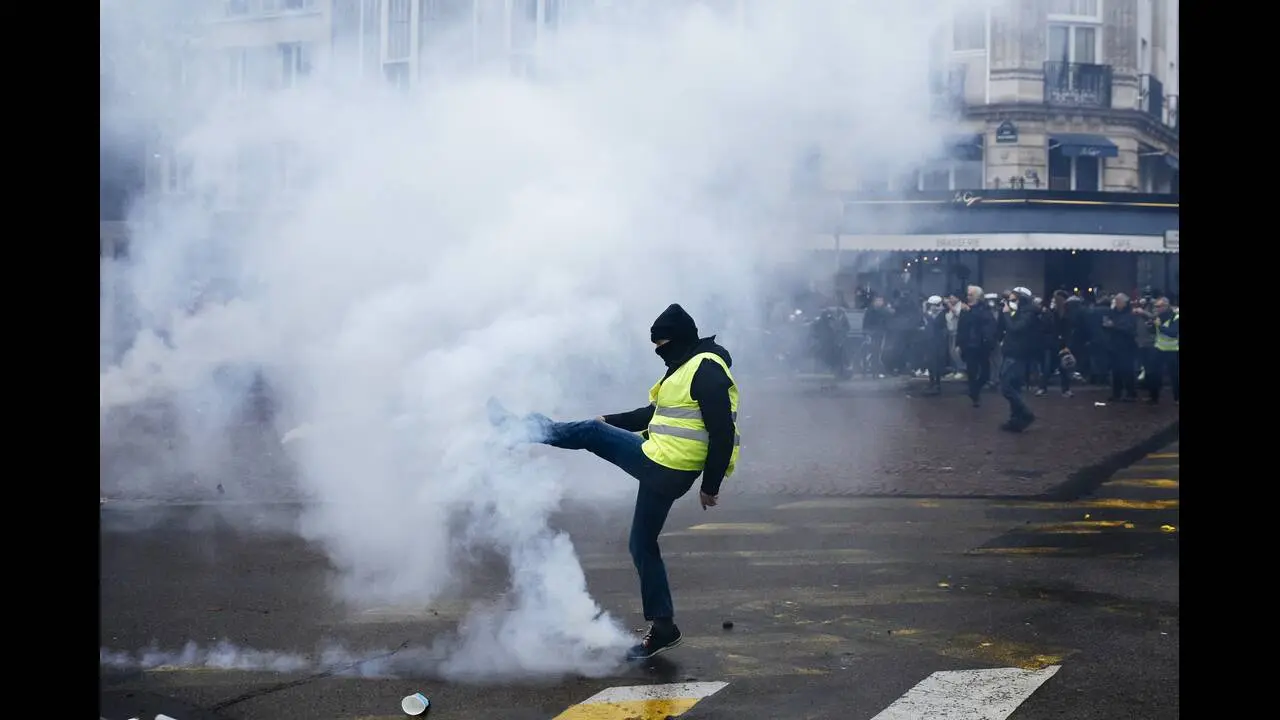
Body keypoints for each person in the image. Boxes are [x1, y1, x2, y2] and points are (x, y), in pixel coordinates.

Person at [486, 303, 740, 661]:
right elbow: (653, 414)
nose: (658, 351)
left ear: (679, 338)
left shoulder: (706, 369)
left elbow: (723, 431)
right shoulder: (686, 368)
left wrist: (711, 485)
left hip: (667, 465)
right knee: (641, 543)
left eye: (662, 343)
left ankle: (519, 429)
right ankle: (664, 627)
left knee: (591, 433)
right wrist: (610, 420)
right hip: (664, 463)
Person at [997, 287, 1039, 432]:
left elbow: (1015, 328)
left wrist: (1007, 315)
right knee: (1014, 386)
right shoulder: (1021, 312)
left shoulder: (1029, 313)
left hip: (1018, 354)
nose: (1010, 302)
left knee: (1006, 386)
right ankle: (1015, 419)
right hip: (1012, 352)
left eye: (1014, 299)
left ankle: (1026, 413)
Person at [956, 285, 995, 408]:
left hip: (982, 344)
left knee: (985, 373)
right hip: (969, 345)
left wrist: (970, 312)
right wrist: (959, 344)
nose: (968, 297)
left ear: (977, 296)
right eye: (968, 294)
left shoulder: (984, 308)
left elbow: (986, 321)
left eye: (971, 294)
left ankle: (975, 389)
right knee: (971, 371)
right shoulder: (964, 310)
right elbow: (961, 327)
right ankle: (975, 396)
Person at [1147, 296, 1179, 405]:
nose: (1157, 308)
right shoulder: (1158, 316)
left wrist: (1159, 326)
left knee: (1175, 376)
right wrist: (1151, 326)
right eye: (1156, 306)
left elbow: (1173, 333)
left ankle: (1177, 398)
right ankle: (1154, 397)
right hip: (1159, 347)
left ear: (1166, 306)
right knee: (1153, 373)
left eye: (1159, 306)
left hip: (1173, 349)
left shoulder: (1176, 316)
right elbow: (1154, 331)